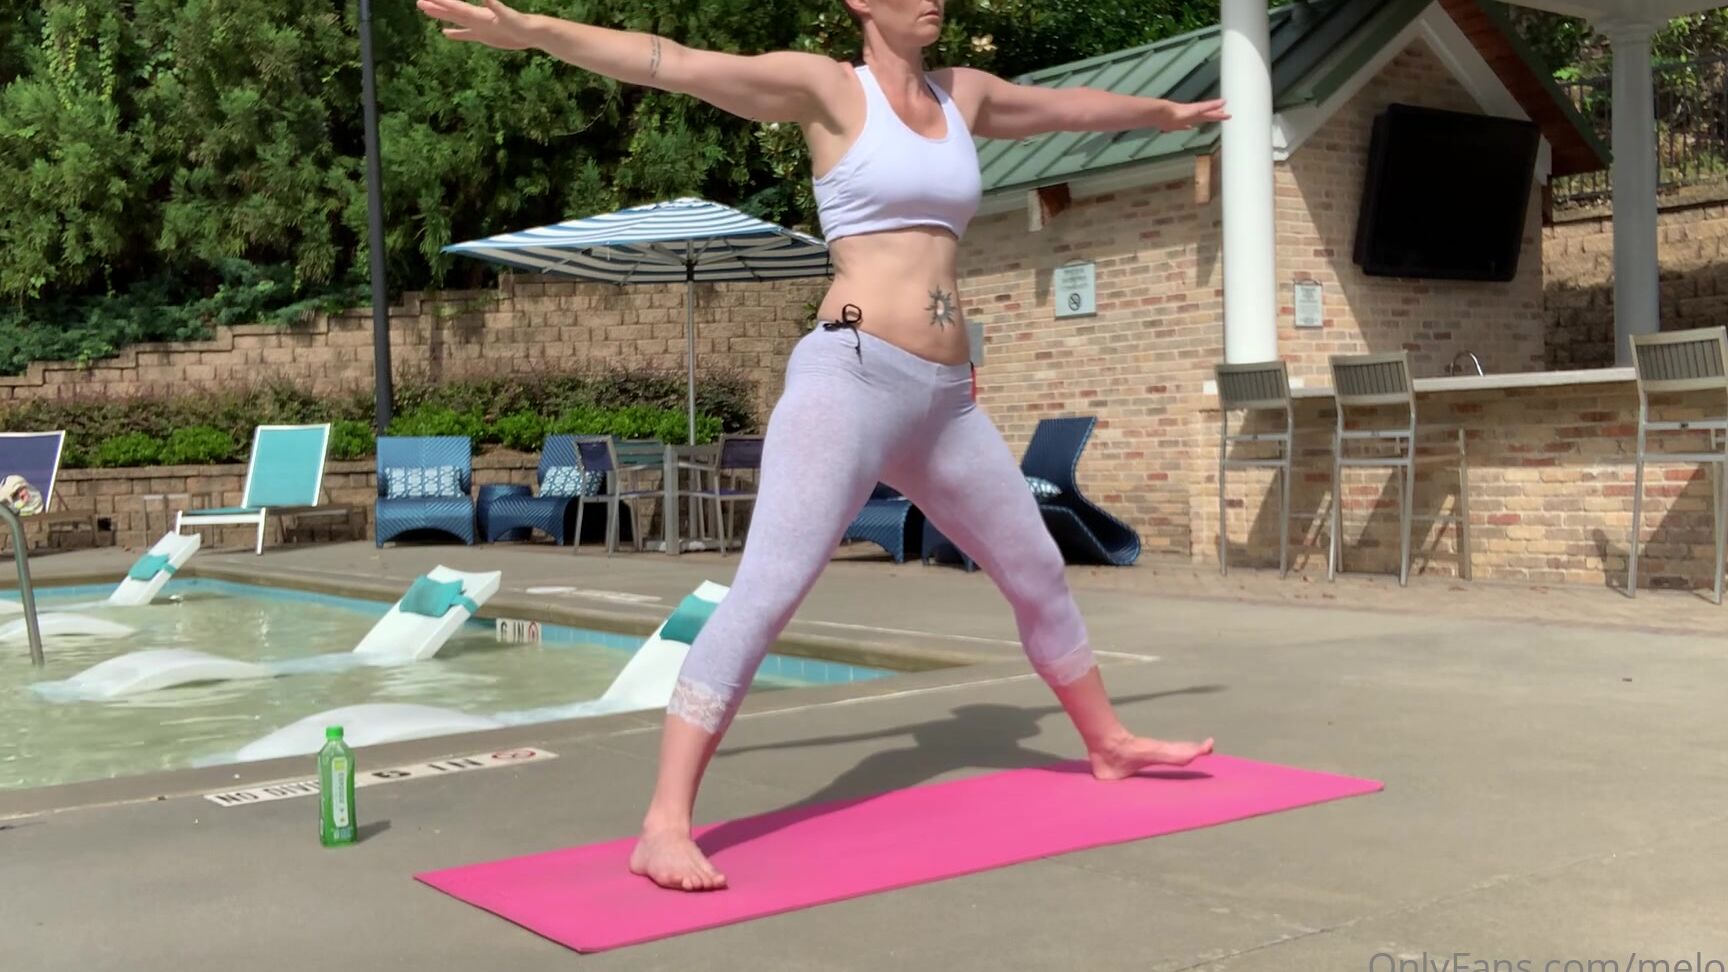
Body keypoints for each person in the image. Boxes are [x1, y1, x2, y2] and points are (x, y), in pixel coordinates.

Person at [417, 0, 1229, 893]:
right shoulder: (828, 91)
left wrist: (1170, 115)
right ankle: (662, 824)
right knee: (767, 592)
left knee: (1036, 567)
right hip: (849, 378)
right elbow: (671, 60)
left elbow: (1073, 108)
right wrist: (536, 31)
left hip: (947, 402)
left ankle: (1108, 743)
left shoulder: (967, 96)